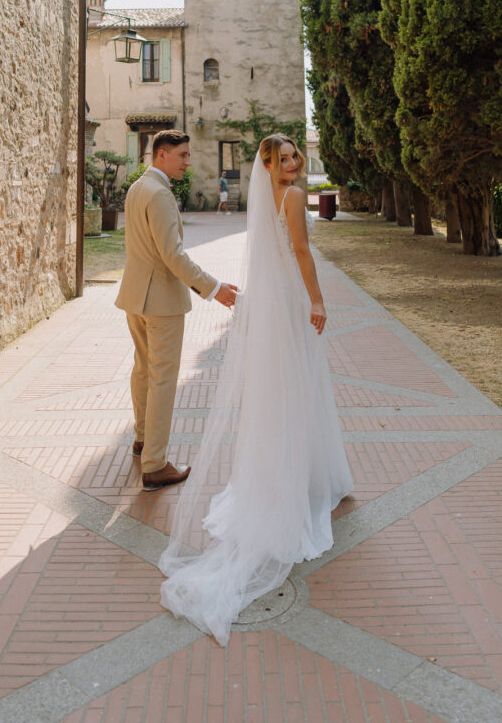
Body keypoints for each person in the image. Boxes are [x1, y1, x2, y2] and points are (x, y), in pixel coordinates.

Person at [159, 133, 352, 644]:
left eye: (294, 156)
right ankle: (298, 485)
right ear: (269, 165)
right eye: (283, 158)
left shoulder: (270, 197)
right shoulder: (290, 197)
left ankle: (298, 475)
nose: (292, 163)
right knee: (297, 387)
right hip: (290, 298)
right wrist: (317, 301)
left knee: (284, 391)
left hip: (272, 298)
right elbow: (304, 254)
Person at [115, 130, 237, 491]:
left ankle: (141, 441)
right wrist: (215, 289)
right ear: (162, 155)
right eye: (182, 155)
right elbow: (173, 255)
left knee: (142, 371)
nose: (188, 161)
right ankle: (155, 464)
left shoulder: (138, 188)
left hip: (135, 296)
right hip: (161, 302)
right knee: (163, 378)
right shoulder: (160, 193)